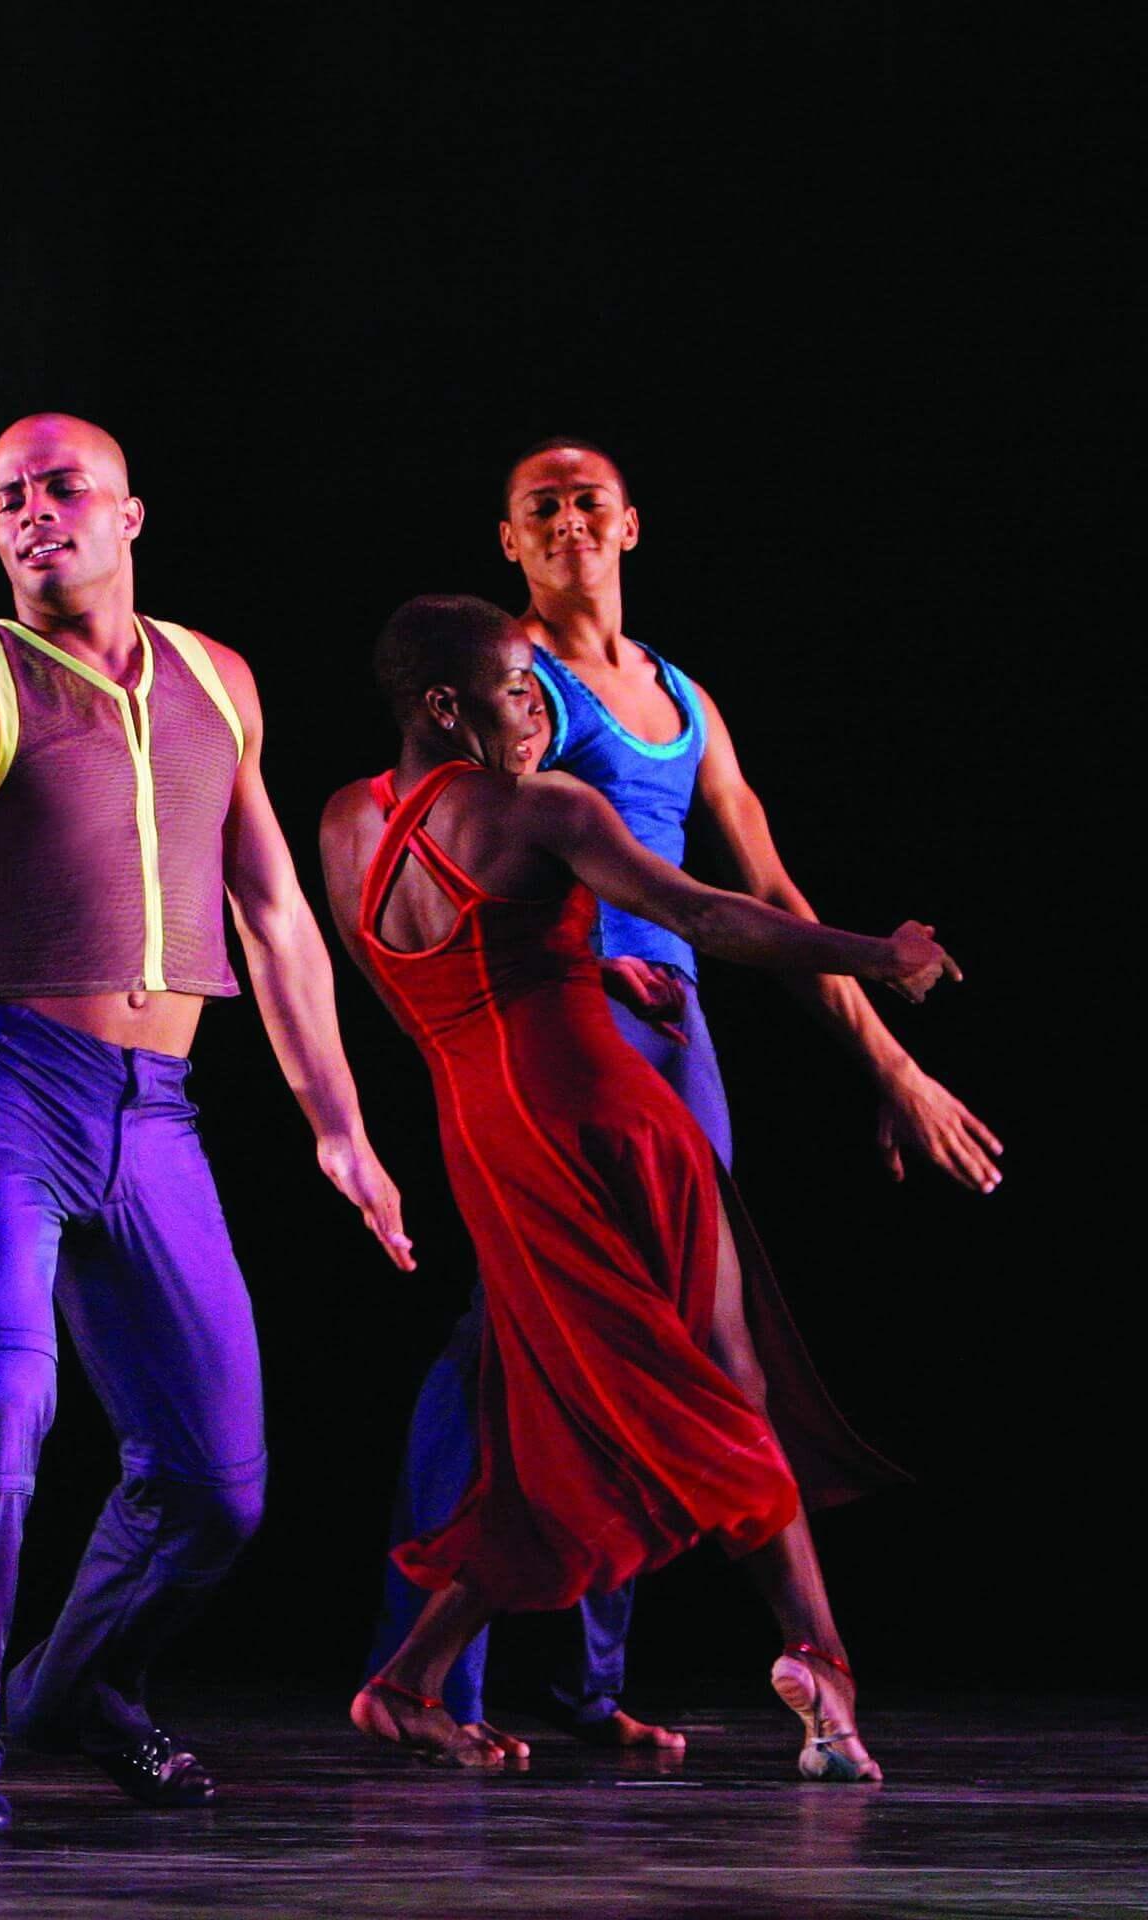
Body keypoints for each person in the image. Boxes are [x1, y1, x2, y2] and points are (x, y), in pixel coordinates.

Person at [0, 413, 413, 1835]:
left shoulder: (219, 681)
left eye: (65, 488)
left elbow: (273, 915)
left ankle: (79, 1683)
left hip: (159, 1115)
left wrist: (339, 1128)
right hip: (4, 1090)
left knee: (218, 1483)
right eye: (9, 498)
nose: (35, 514)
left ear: (133, 515)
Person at [364, 440, 1002, 1755]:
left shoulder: (683, 699)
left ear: (633, 524)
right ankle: (435, 1674)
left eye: (587, 498)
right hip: (572, 1029)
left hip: (674, 1035)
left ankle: (583, 1684)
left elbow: (763, 895)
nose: (567, 519)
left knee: (679, 1349)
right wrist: (592, 969)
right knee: (527, 1348)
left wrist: (890, 1063)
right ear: (509, 540)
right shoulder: (502, 676)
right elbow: (453, 850)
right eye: (538, 505)